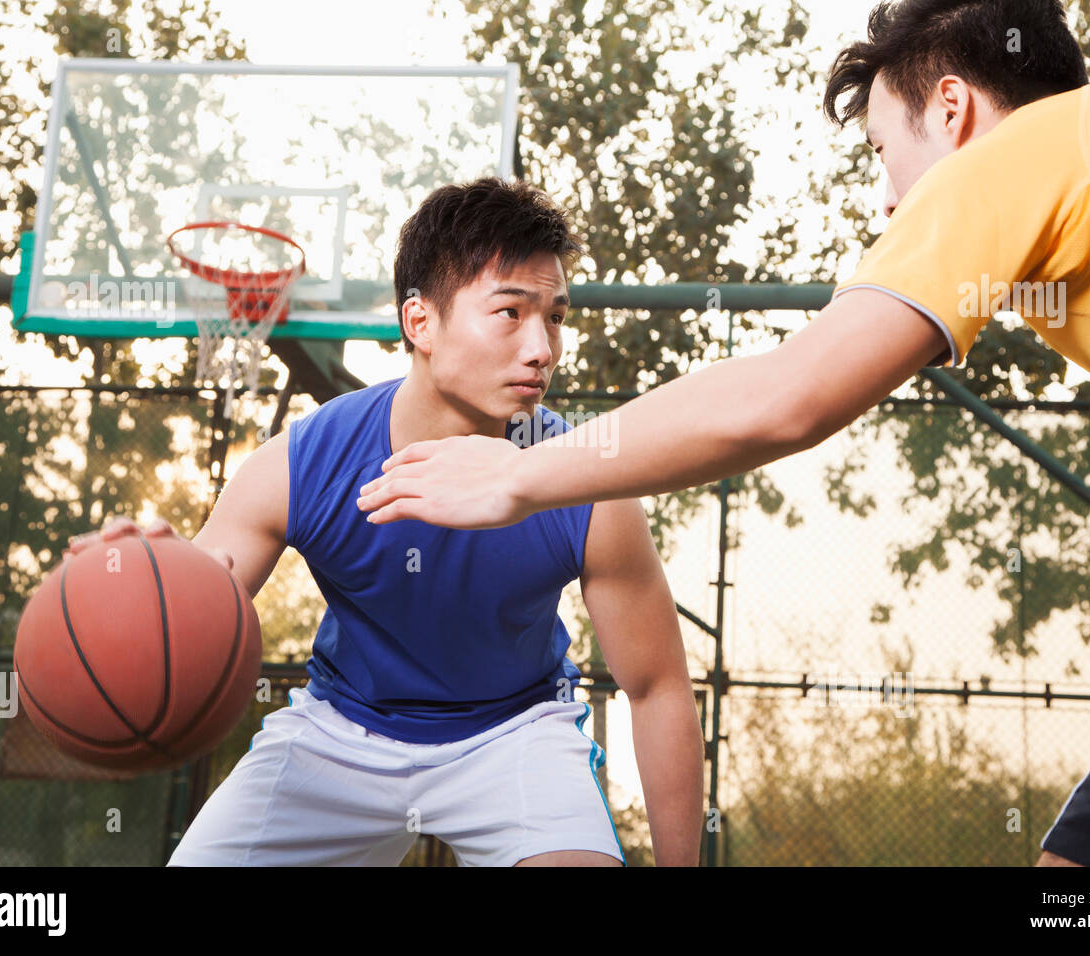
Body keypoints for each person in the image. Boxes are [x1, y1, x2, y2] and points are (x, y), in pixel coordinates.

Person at [354, 0, 1090, 866]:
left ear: (952, 110)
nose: (887, 199)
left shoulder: (1018, 157)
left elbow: (786, 396)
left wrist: (515, 477)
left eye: (884, 149)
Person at [67, 178, 704, 867]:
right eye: (510, 313)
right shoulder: (303, 463)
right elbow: (195, 605)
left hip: (515, 732)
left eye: (555, 316)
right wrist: (141, 577)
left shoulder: (587, 484)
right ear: (419, 323)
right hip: (340, 730)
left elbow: (657, 687)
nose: (543, 346)